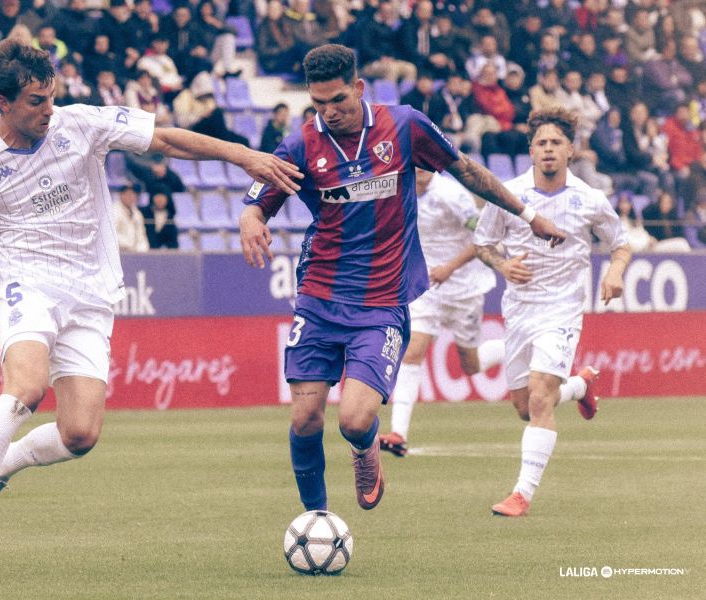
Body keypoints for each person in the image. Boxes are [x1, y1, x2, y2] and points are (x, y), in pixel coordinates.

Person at [0, 39, 301, 564]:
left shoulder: (79, 122)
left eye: (50, 97)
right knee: (25, 387)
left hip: (91, 290)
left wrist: (243, 156)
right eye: (34, 101)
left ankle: (0, 467)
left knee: (80, 434)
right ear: (3, 104)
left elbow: (164, 140)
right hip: (26, 282)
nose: (48, 110)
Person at [239, 44, 564, 515]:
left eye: (338, 101)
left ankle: (365, 447)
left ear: (359, 88)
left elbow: (467, 171)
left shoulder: (404, 124)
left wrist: (528, 214)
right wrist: (251, 216)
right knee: (305, 417)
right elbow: (259, 195)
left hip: (381, 301)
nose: (329, 113)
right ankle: (317, 519)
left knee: (353, 420)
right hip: (318, 296)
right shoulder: (302, 144)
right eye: (319, 103)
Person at [474, 106, 632, 517]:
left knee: (541, 400)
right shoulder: (508, 195)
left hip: (562, 310)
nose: (548, 150)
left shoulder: (589, 198)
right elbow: (483, 244)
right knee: (525, 407)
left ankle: (521, 495)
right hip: (519, 310)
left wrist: (614, 273)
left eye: (556, 143)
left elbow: (622, 243)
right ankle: (580, 387)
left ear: (570, 150)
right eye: (541, 143)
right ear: (530, 150)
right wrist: (502, 265)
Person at [378, 168, 502, 457]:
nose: (417, 170)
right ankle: (398, 434)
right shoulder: (401, 191)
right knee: (412, 351)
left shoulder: (453, 195)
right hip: (427, 288)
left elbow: (483, 239)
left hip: (464, 289)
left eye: (423, 164)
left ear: (433, 166)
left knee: (470, 365)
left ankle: (514, 349)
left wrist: (450, 267)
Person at [112, 183, 149, 252]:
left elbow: (141, 236)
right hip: (118, 252)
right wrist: (129, 245)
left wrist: (142, 249)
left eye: (133, 194)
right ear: (121, 195)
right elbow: (112, 235)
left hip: (134, 253)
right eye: (128, 194)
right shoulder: (114, 211)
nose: (131, 197)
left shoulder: (137, 213)